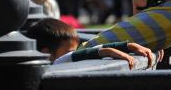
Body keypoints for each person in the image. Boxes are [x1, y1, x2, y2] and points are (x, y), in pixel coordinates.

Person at [26, 18, 154, 69]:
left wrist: (126, 46)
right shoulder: (51, 65)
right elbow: (71, 57)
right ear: (46, 54)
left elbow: (82, 52)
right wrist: (105, 52)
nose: (75, 53)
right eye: (70, 51)